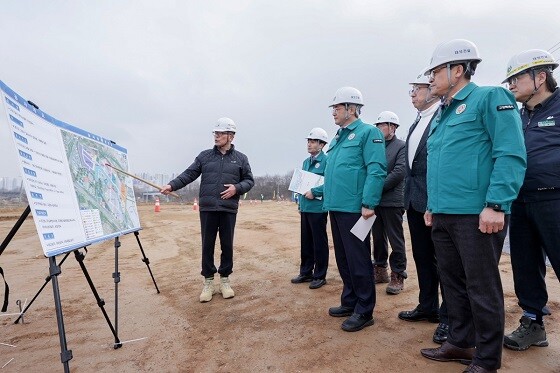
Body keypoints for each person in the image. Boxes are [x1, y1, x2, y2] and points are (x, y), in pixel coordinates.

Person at [418, 39, 526, 373]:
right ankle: (461, 342)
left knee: (481, 287)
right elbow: (439, 164)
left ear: (459, 69)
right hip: (444, 215)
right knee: (453, 284)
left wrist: (496, 203)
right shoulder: (441, 114)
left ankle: (487, 358)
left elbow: (509, 152)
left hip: (477, 214)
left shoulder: (489, 97)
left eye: (436, 71)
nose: (431, 79)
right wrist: (432, 205)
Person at [501, 49, 560, 351]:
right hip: (521, 202)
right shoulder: (517, 114)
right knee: (524, 265)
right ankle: (533, 323)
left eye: (516, 78)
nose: (510, 84)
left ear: (540, 77)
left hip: (555, 201)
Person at [160, 117, 254, 303]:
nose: (216, 136)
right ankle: (208, 282)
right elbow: (189, 174)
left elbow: (249, 181)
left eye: (220, 133)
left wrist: (237, 188)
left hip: (228, 209)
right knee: (207, 245)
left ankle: (225, 280)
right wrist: (172, 185)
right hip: (208, 208)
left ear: (231, 136)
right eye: (215, 133)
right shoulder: (204, 156)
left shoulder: (241, 159)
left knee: (227, 245)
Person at [318, 86, 387, 332]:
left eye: (337, 108)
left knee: (358, 259)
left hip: (355, 209)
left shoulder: (369, 133)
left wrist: (369, 203)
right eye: (334, 108)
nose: (333, 112)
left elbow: (377, 169)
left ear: (351, 108)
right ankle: (350, 300)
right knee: (344, 258)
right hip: (336, 207)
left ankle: (364, 309)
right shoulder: (338, 136)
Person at [398, 68, 449, 345]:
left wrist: (434, 200)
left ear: (431, 89)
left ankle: (448, 315)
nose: (413, 94)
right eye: (411, 90)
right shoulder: (416, 122)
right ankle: (427, 305)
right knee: (422, 257)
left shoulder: (443, 117)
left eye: (416, 88)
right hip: (414, 202)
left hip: (436, 202)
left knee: (445, 262)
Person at [371, 111, 407, 295]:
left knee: (395, 239)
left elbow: (400, 172)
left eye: (382, 126)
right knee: (377, 237)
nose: (378, 129)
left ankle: (398, 274)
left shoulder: (401, 146)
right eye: (377, 126)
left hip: (393, 201)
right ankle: (379, 269)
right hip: (376, 201)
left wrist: (375, 187)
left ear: (392, 127)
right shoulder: (375, 147)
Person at [291, 128, 329, 290]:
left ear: (321, 144)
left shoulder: (327, 161)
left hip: (318, 208)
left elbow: (329, 183)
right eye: (308, 141)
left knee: (319, 242)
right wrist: (300, 202)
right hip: (306, 207)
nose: (309, 144)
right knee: (306, 241)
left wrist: (315, 192)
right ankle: (306, 271)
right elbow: (302, 184)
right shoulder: (306, 162)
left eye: (313, 141)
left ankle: (320, 275)